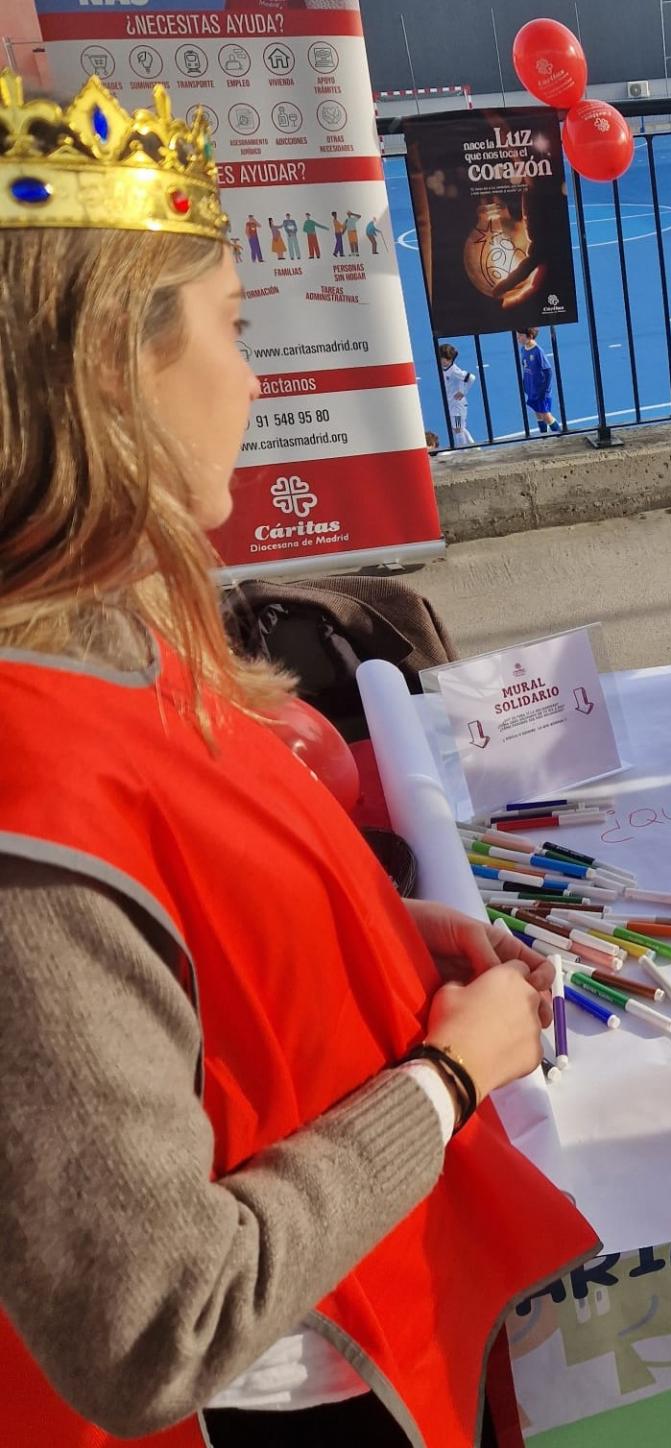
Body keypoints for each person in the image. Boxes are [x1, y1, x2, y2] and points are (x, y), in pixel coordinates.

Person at [0, 68, 593, 1447]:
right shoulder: (28, 814)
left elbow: (184, 935)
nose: (257, 376)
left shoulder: (112, 628)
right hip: (283, 1390)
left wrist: (377, 933)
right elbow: (152, 1325)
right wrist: (446, 1079)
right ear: (114, 372)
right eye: (233, 325)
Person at [516, 328, 558, 434]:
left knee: (546, 415)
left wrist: (544, 390)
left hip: (540, 390)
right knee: (538, 413)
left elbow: (548, 371)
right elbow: (526, 368)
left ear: (530, 336)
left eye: (520, 335)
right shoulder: (523, 349)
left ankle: (561, 435)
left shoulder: (538, 351)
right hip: (531, 387)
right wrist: (525, 383)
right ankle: (543, 435)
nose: (518, 338)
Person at [437, 342, 477, 446]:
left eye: (445, 359)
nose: (442, 361)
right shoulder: (445, 368)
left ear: (450, 359)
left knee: (458, 429)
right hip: (451, 404)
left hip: (457, 406)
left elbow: (471, 377)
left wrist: (463, 392)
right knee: (459, 428)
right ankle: (474, 446)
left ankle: (462, 450)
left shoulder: (454, 371)